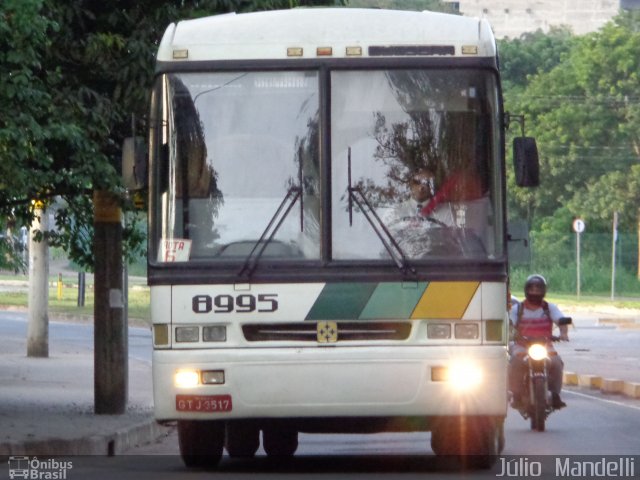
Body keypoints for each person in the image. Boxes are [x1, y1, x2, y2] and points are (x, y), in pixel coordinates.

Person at [508, 274, 569, 409]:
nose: (535, 292)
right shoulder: (517, 309)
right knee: (515, 363)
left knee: (557, 363)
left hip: (545, 346)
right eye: (532, 289)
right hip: (522, 346)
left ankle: (555, 395)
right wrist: (512, 336)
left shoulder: (549, 308)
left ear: (543, 291)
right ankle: (516, 395)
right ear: (526, 290)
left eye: (538, 289)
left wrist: (563, 333)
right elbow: (510, 325)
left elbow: (560, 320)